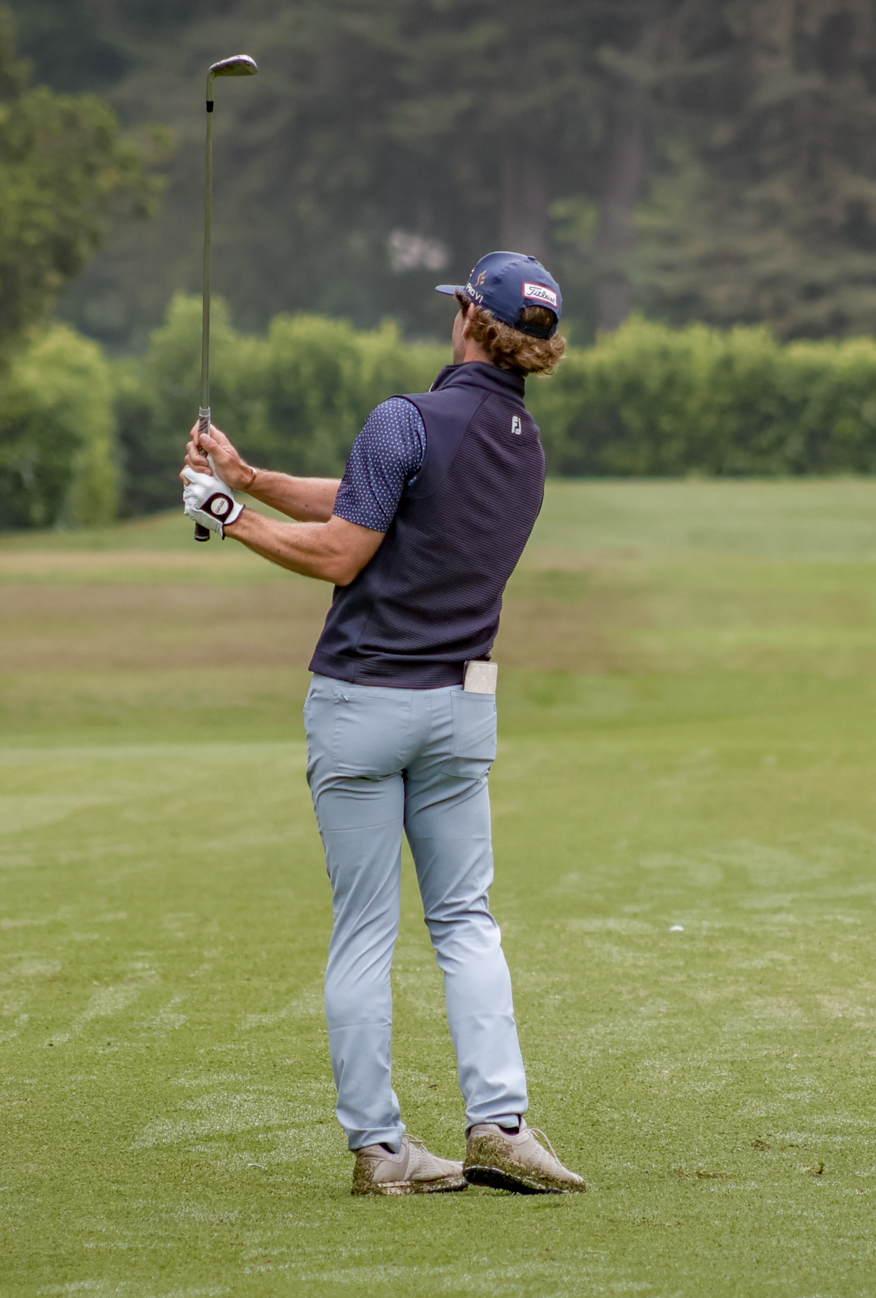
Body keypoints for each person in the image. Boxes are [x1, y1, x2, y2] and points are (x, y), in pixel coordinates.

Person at [178, 252, 588, 1198]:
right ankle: (501, 1124)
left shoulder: (403, 417)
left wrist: (226, 512)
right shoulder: (524, 446)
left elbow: (341, 550)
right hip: (460, 712)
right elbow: (372, 496)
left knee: (365, 930)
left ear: (469, 320)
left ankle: (380, 1148)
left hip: (363, 703)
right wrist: (251, 476)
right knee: (466, 922)